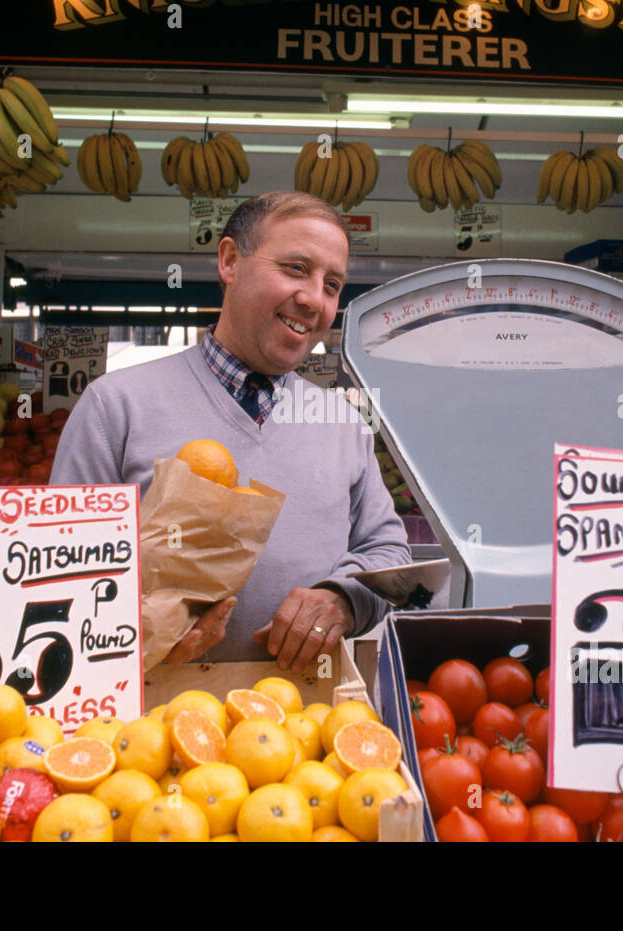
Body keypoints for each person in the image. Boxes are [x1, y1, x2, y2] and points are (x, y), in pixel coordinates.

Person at [51, 191, 411, 671]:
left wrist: (342, 600)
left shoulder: (343, 421)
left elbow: (388, 553)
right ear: (229, 261)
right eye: (296, 269)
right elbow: (57, 567)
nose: (313, 299)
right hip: (146, 733)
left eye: (332, 284)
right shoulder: (115, 406)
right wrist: (131, 630)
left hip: (298, 731)